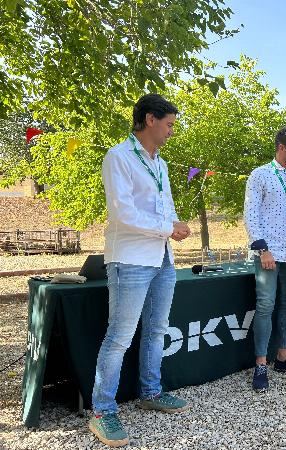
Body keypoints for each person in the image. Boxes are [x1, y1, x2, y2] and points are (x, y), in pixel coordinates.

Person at [89, 94, 191, 448]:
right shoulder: (118, 157)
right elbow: (123, 213)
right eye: (169, 124)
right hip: (130, 259)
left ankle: (151, 392)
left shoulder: (160, 163)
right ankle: (102, 411)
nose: (172, 131)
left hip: (162, 258)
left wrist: (175, 225)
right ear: (150, 119)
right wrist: (167, 227)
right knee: (120, 337)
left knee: (157, 330)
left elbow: (165, 205)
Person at [244, 126, 286, 392]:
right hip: (269, 252)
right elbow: (251, 215)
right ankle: (261, 364)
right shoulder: (260, 175)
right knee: (265, 305)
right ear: (281, 148)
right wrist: (263, 249)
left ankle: (283, 357)